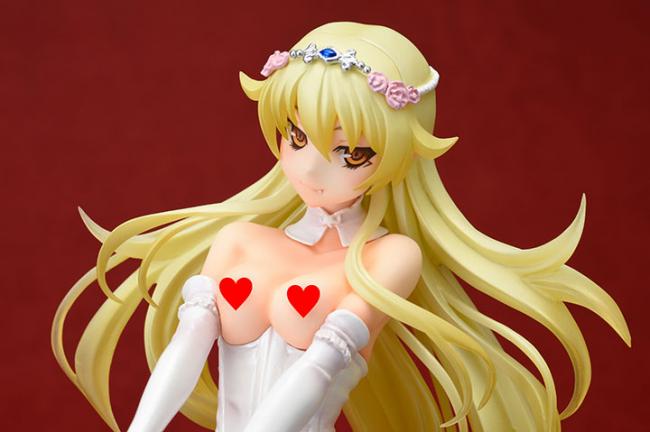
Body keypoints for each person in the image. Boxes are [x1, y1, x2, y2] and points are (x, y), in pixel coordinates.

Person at [51, 21, 631, 432]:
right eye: (295, 137)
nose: (310, 169)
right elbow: (186, 347)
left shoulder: (387, 258)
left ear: (400, 152)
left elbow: (320, 367)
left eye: (351, 152)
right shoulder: (240, 241)